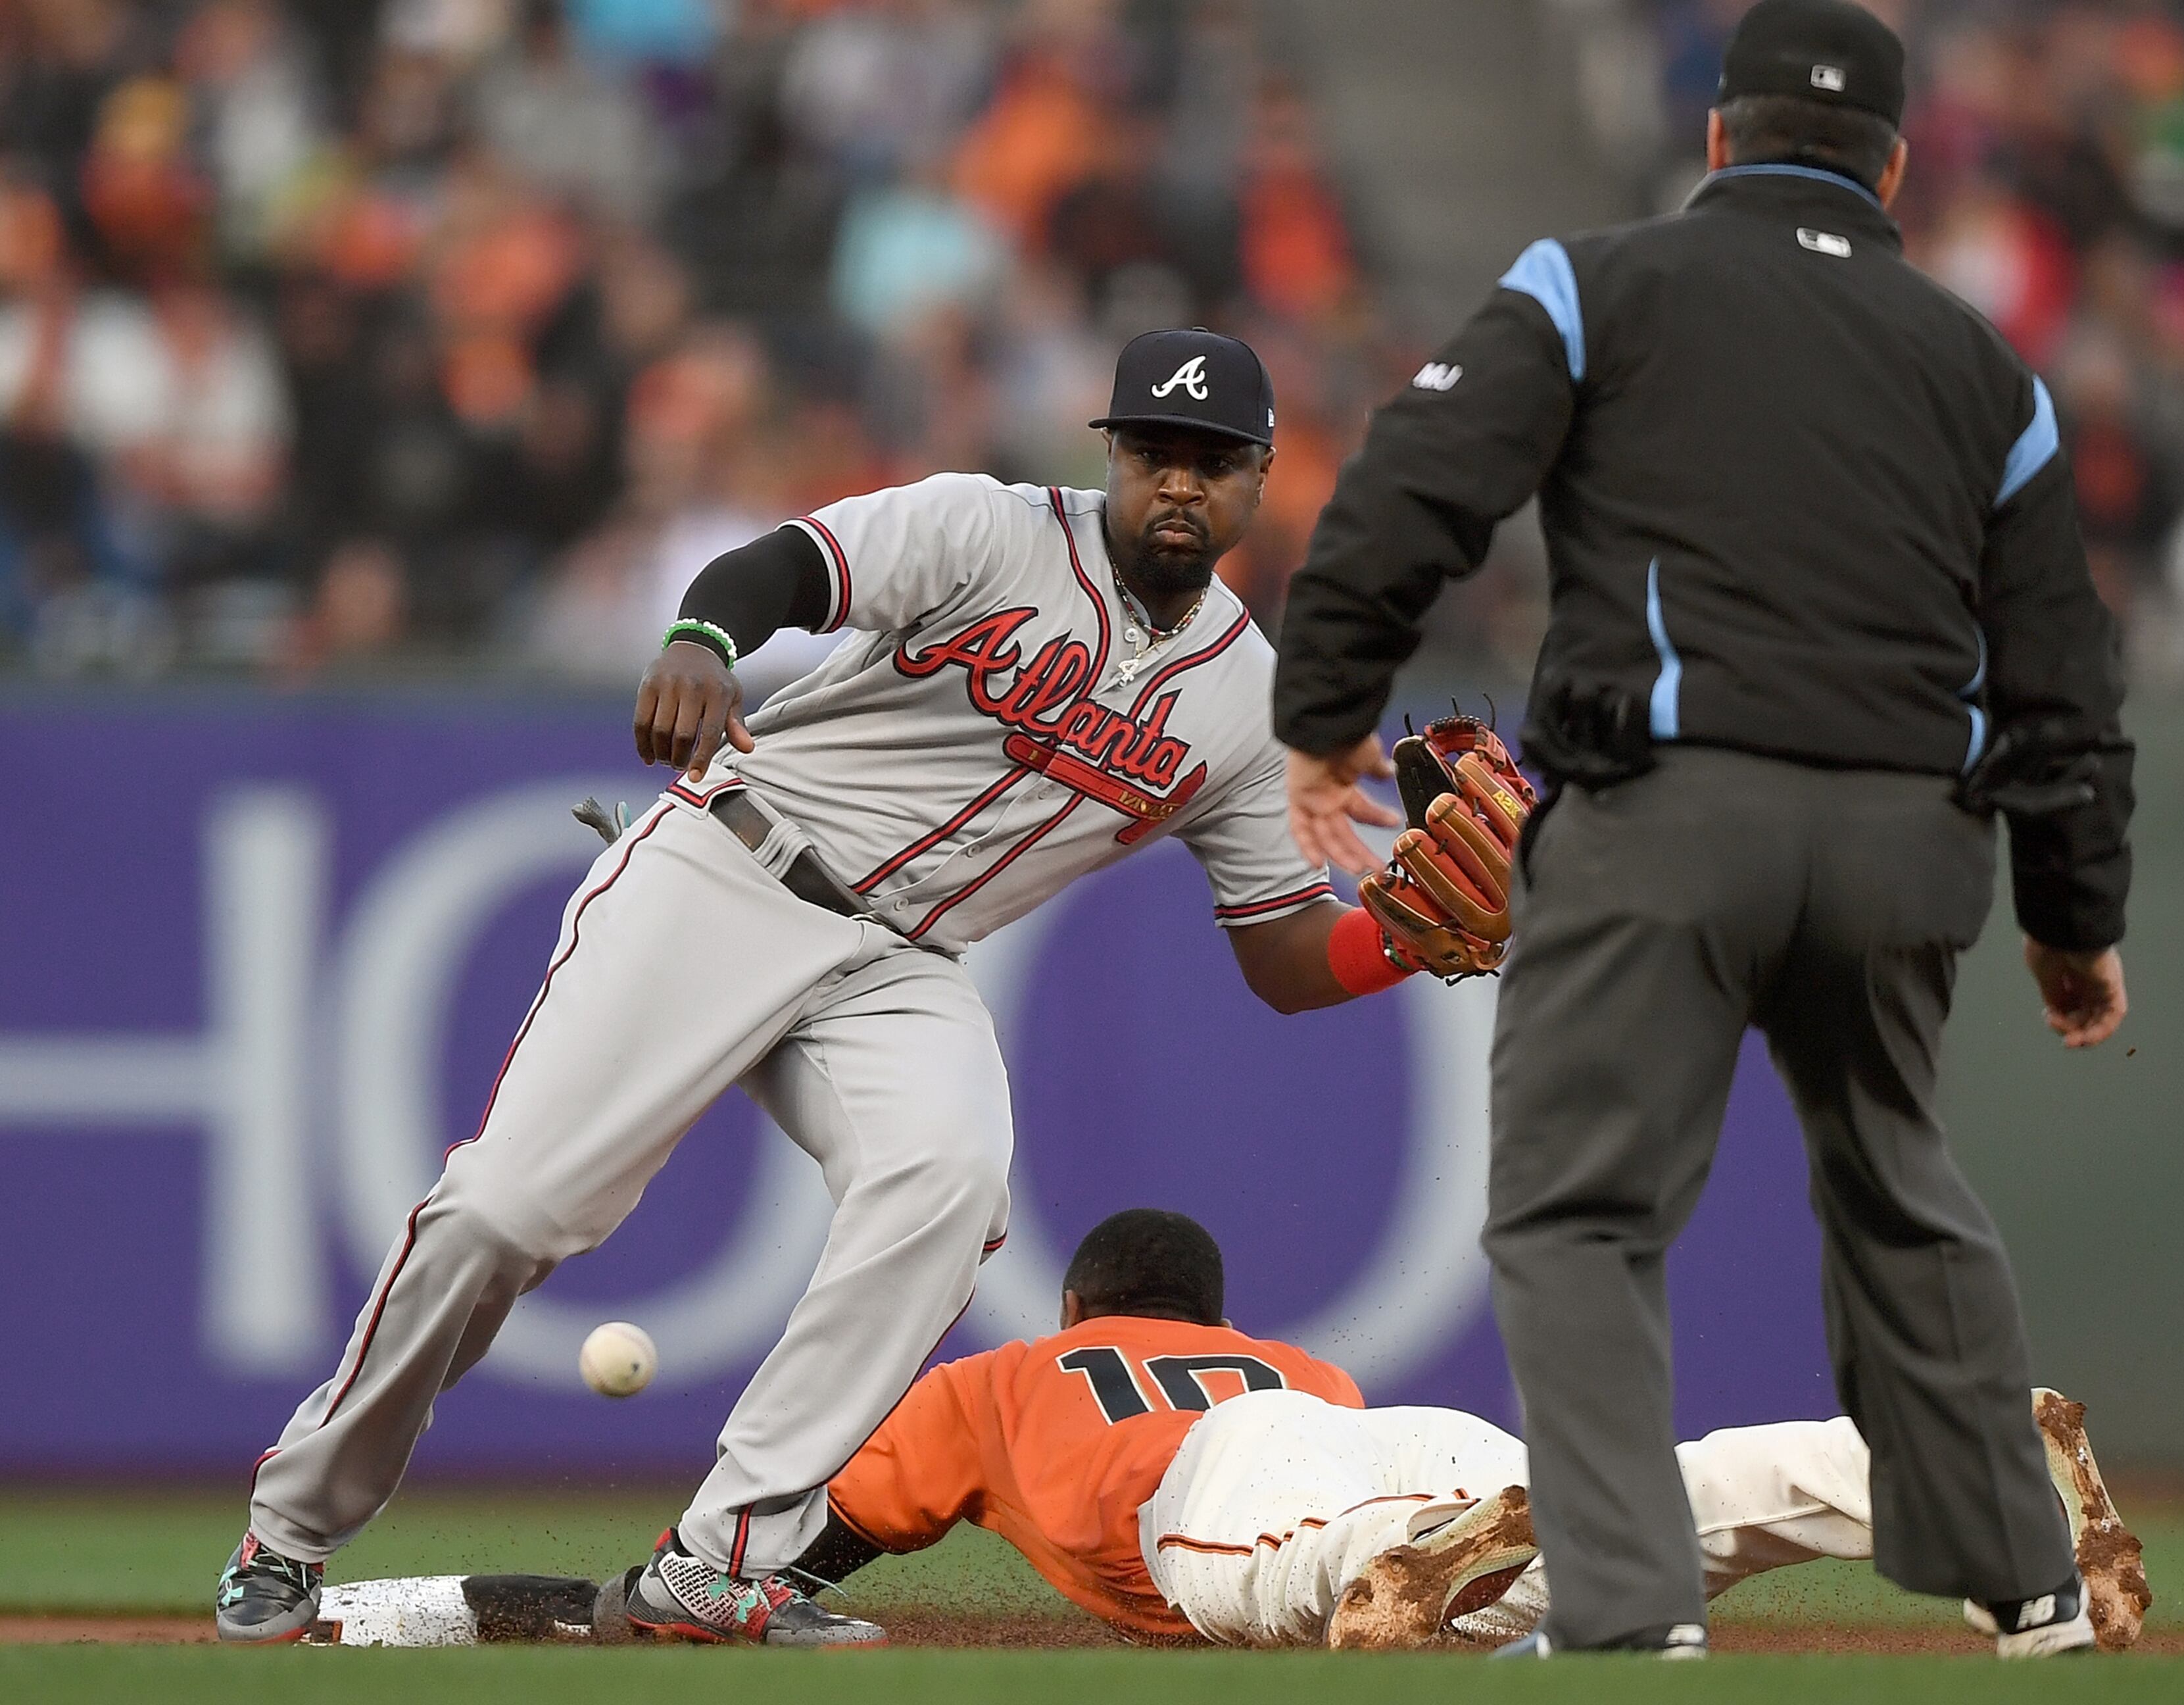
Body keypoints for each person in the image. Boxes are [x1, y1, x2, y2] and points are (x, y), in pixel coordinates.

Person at [216, 330, 1493, 1646]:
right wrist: (706, 636)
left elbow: (1281, 949)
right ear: (1110, 456)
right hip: (732, 871)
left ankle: (722, 1562)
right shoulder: (985, 528)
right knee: (505, 1211)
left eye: (1213, 462)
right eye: (1155, 454)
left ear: (1262, 479)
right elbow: (786, 567)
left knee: (948, 1185)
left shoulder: (1246, 700)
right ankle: (289, 1532)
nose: (1181, 485)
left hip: (901, 966)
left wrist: (1405, 939)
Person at [1272, 0, 2136, 1662]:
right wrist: (2074, 911)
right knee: (1897, 1185)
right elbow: (2066, 674)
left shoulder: (1598, 283)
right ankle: (2032, 1588)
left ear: (1720, 136)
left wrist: (1324, 714)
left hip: (1670, 815)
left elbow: (1412, 489)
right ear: (1892, 164)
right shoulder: (1985, 367)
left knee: (1581, 1213)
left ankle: (1626, 1612)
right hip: (1907, 843)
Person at [303, 1210, 2149, 1653]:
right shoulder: (1293, 1357)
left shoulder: (1001, 1381)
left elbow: (815, 1550)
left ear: (1091, 1309)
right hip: (1411, 1437)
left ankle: (1497, 1582)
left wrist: (623, 1595)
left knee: (1320, 1579)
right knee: (1667, 1498)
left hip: (1231, 1502)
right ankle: (1966, 1486)